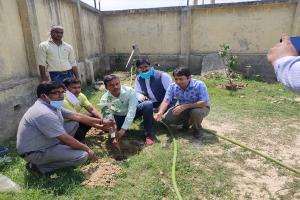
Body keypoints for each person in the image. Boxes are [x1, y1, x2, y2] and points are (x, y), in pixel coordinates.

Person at [16, 81, 114, 175]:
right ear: (43, 96)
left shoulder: (52, 104)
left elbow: (76, 116)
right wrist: (87, 149)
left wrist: (102, 121)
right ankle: (39, 167)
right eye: (56, 93)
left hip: (45, 142)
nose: (61, 96)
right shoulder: (43, 113)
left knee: (74, 123)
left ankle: (61, 151)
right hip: (36, 152)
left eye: (62, 92)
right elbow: (65, 138)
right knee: (82, 155)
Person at [100, 74, 154, 149]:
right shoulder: (104, 99)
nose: (115, 87)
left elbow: (132, 111)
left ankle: (148, 134)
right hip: (118, 118)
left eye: (117, 84)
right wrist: (113, 136)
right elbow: (110, 119)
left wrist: (123, 130)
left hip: (133, 113)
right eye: (111, 85)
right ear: (106, 87)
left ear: (120, 83)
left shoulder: (130, 91)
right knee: (106, 124)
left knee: (148, 104)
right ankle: (116, 134)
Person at [154, 67, 210, 139]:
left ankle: (197, 129)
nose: (178, 82)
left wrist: (185, 106)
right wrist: (160, 112)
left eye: (181, 79)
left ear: (189, 78)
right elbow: (166, 100)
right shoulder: (173, 86)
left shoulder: (199, 84)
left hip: (201, 108)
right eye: (176, 79)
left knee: (196, 112)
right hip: (184, 108)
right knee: (167, 119)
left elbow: (204, 103)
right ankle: (186, 124)